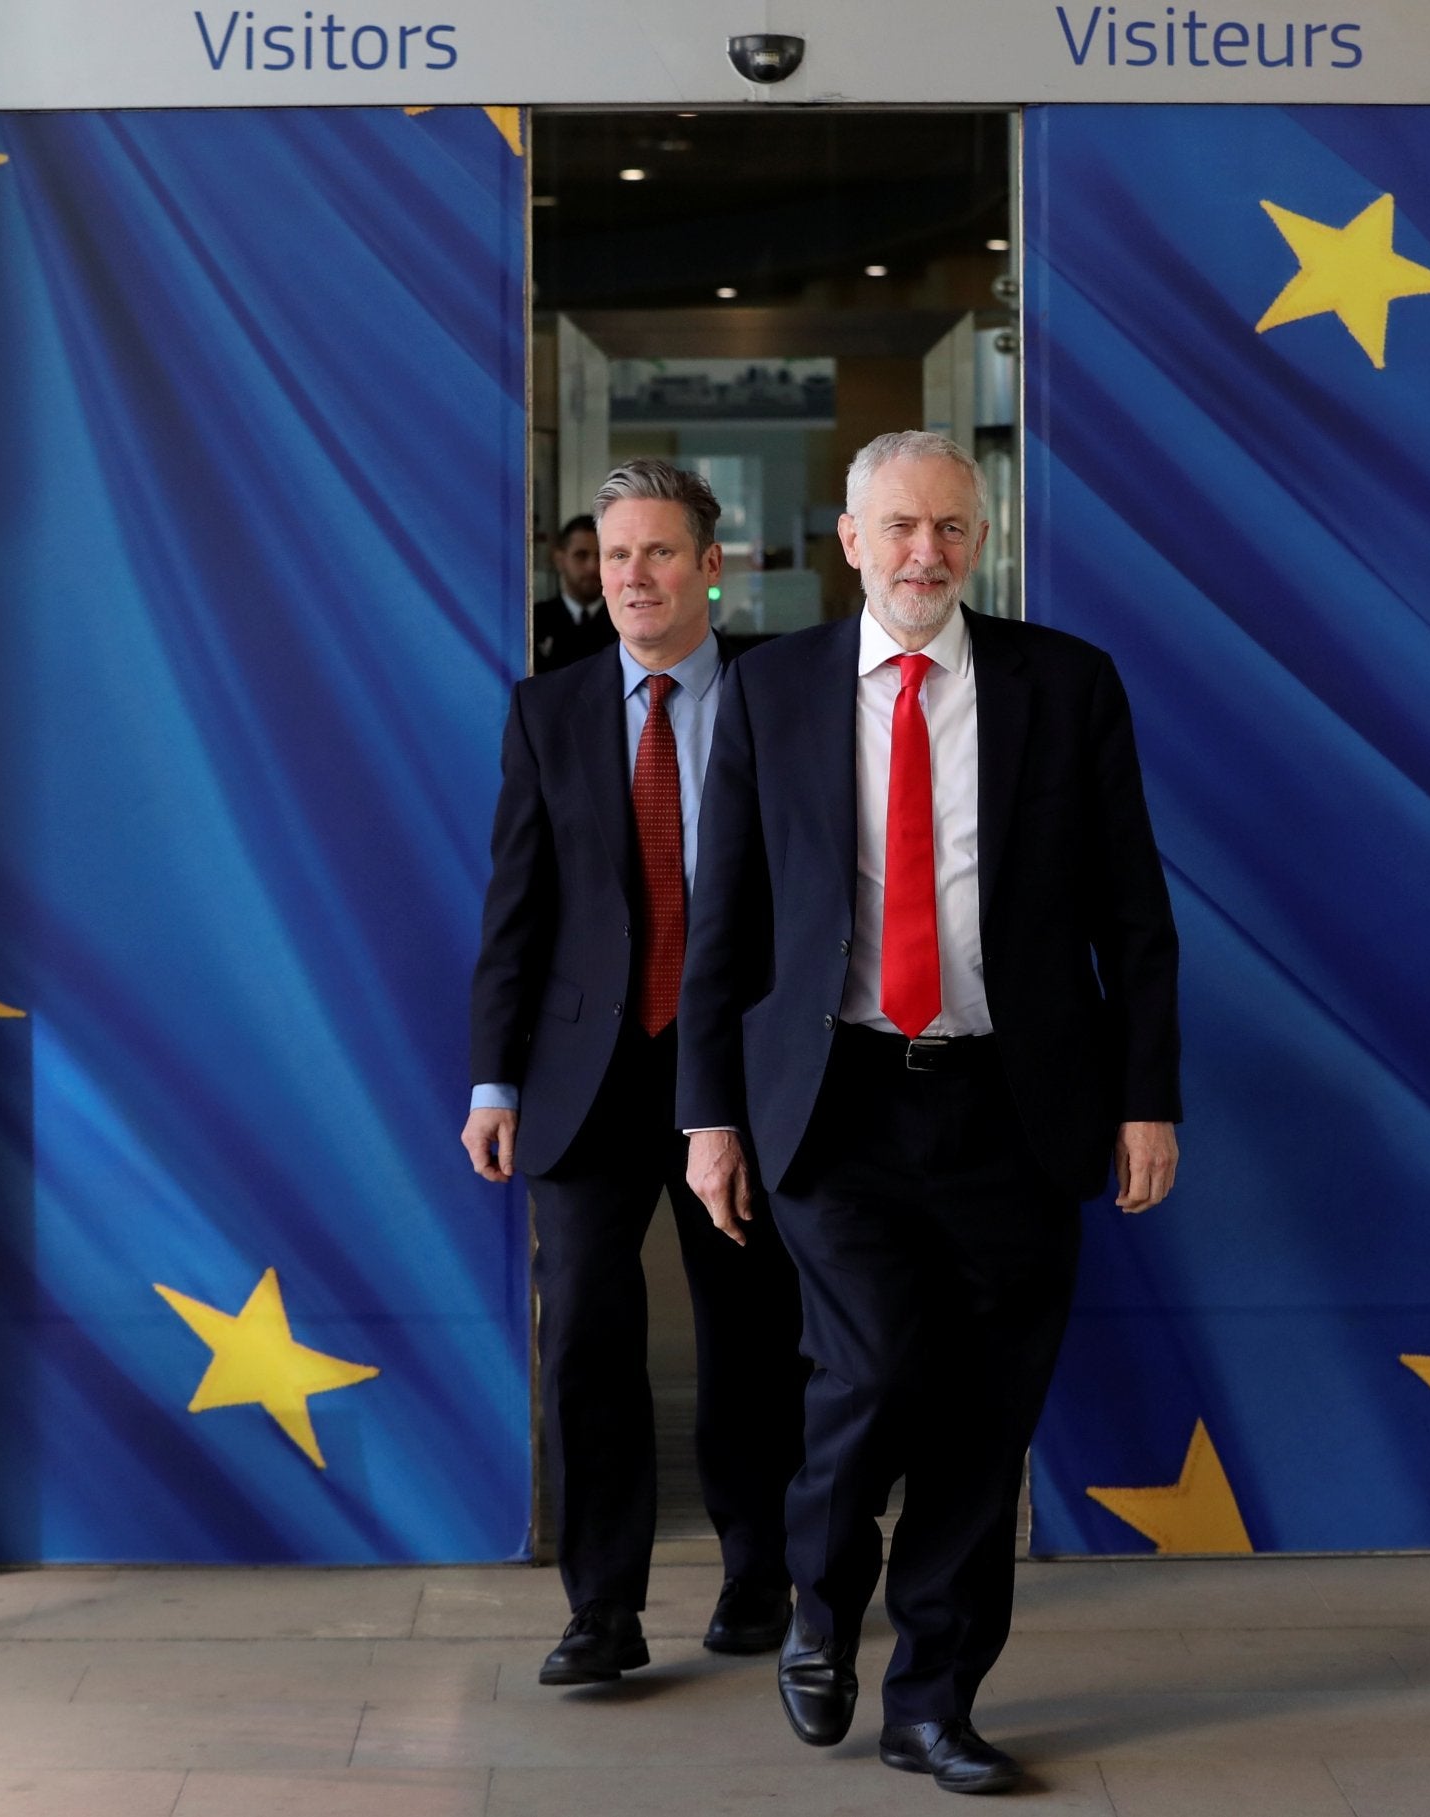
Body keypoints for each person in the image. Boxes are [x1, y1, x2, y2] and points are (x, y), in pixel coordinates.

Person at [678, 430, 1181, 1794]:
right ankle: (822, 1599)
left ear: (981, 539)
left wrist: (1146, 1098)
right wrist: (708, 1117)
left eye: (952, 529)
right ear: (850, 541)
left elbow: (1132, 915)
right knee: (883, 1368)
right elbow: (722, 925)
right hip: (833, 1103)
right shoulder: (769, 691)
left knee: (987, 1415)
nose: (925, 555)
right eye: (899, 528)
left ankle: (934, 1702)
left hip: (1020, 1101)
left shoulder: (1064, 686)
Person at [465, 459, 808, 1689]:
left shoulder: (787, 698)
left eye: (658, 553)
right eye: (615, 556)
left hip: (746, 1066)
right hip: (584, 1074)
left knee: (754, 1336)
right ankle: (601, 1610)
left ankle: (761, 1571)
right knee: (589, 1348)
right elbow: (515, 913)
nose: (633, 577)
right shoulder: (545, 711)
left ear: (710, 566)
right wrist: (492, 1081)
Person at [531, 514, 612, 673]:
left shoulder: (625, 622)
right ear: (559, 559)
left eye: (601, 556)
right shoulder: (535, 621)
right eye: (581, 555)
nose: (592, 567)